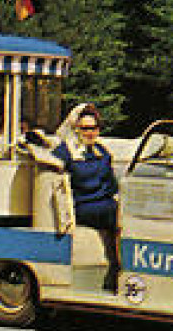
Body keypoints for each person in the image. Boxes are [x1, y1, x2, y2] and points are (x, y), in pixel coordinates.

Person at [48, 104, 121, 291]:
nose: (90, 133)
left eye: (94, 128)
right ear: (76, 129)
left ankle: (118, 265)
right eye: (85, 128)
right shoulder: (66, 152)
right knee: (116, 215)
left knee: (123, 213)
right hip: (83, 205)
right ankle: (118, 268)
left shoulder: (101, 152)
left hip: (103, 204)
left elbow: (112, 184)